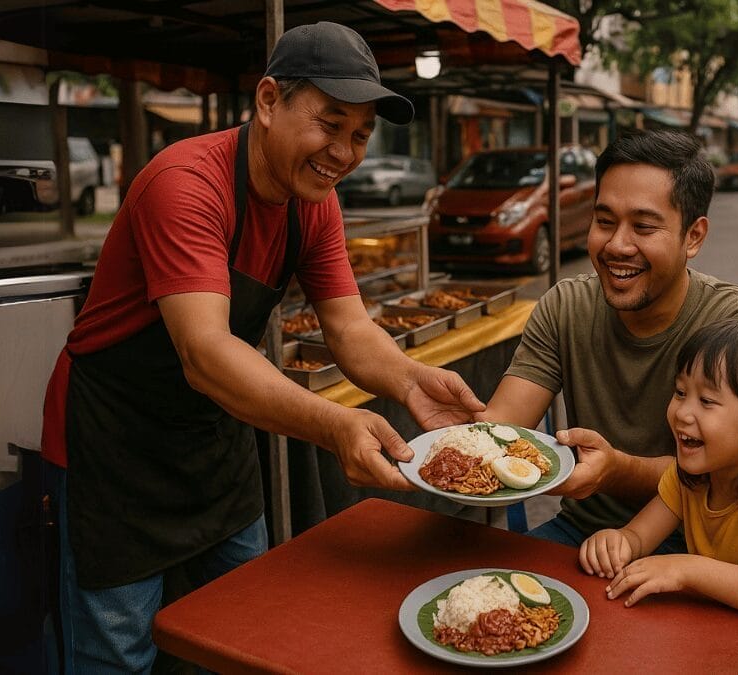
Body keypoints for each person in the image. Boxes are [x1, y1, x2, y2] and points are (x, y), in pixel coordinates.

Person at [40, 22, 484, 672]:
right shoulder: (186, 184)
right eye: (330, 124)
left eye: (360, 135)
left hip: (215, 441)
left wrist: (412, 381)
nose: (344, 151)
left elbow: (351, 329)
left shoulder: (314, 202)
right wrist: (335, 424)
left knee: (248, 631)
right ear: (269, 101)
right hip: (116, 449)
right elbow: (207, 353)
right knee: (119, 656)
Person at [482, 130, 738, 551]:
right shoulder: (567, 306)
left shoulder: (737, 325)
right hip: (578, 533)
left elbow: (732, 474)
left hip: (698, 546)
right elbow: (500, 429)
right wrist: (459, 433)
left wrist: (618, 470)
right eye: (604, 222)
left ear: (693, 236)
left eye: (643, 226)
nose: (617, 245)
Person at [578, 319, 738, 613]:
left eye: (706, 400)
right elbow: (637, 537)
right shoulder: (691, 477)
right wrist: (614, 542)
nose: (683, 413)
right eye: (680, 392)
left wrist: (687, 569)